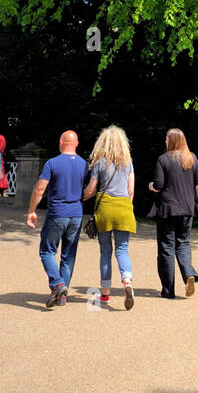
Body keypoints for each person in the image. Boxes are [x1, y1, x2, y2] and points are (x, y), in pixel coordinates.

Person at [27, 129, 88, 307]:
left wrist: (32, 210)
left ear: (61, 142)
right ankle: (62, 296)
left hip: (57, 213)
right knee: (68, 255)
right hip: (76, 214)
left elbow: (40, 189)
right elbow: (90, 189)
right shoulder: (85, 165)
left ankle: (58, 285)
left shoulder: (52, 163)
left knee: (47, 251)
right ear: (76, 144)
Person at [83, 125, 136, 309]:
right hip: (123, 208)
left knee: (105, 252)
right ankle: (127, 282)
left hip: (105, 208)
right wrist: (126, 206)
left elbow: (91, 189)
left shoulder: (99, 163)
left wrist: (78, 197)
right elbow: (131, 190)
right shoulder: (128, 162)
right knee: (122, 249)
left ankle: (105, 294)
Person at [149, 128, 198, 299]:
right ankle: (188, 273)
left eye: (166, 139)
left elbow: (158, 185)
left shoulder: (163, 159)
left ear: (171, 141)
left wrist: (150, 186)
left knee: (166, 248)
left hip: (168, 209)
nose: (165, 141)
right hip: (187, 209)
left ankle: (168, 290)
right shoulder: (192, 158)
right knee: (183, 243)